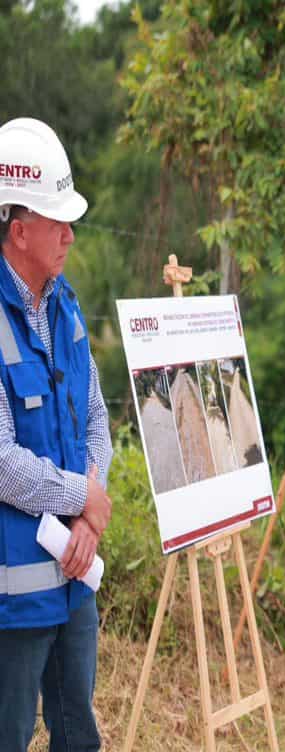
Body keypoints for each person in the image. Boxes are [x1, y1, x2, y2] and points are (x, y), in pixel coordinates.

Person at [0, 117, 113, 751]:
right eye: (56, 221)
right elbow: (0, 460)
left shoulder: (66, 305)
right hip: (13, 603)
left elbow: (95, 417)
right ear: (19, 230)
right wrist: (81, 494)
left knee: (78, 737)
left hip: (74, 585)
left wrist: (89, 518)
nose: (70, 234)